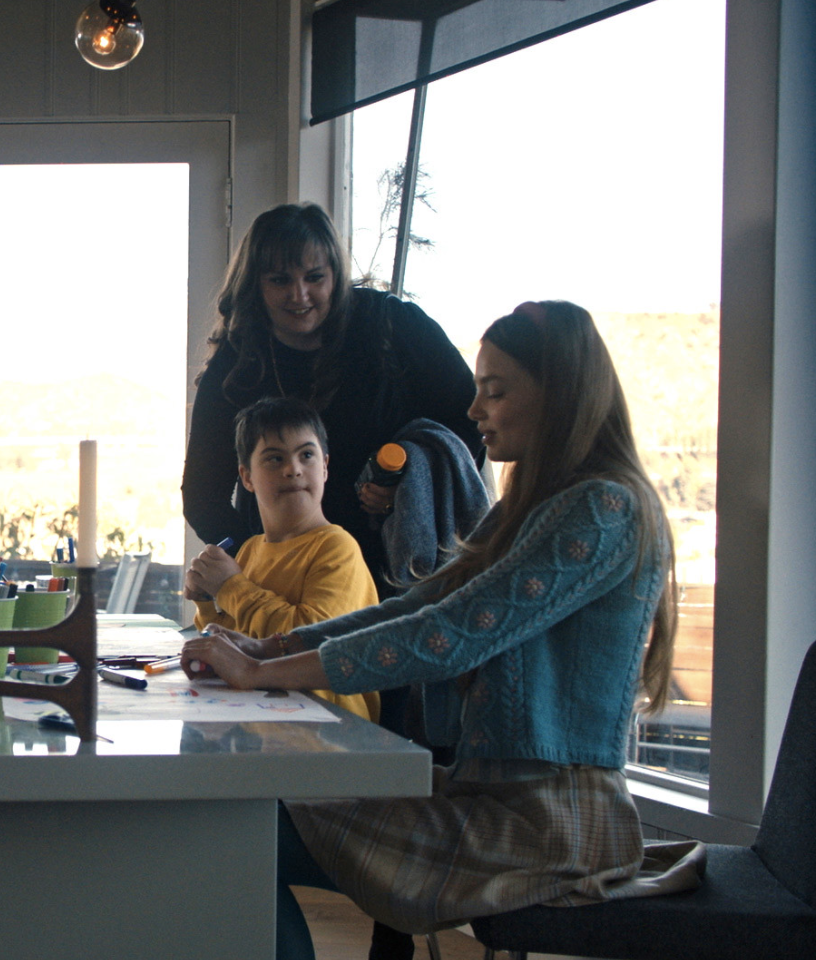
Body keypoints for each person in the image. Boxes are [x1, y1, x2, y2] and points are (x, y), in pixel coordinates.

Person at [181, 301, 701, 959]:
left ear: (560, 393)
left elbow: (448, 634)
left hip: (553, 830)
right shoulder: (530, 507)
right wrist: (272, 647)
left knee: (242, 829)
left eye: (495, 391)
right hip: (495, 802)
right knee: (245, 820)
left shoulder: (603, 508)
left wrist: (262, 670)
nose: (473, 409)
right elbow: (420, 605)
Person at [182, 202, 483, 600]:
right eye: (280, 280)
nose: (299, 295)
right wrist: (257, 561)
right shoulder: (237, 365)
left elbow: (474, 418)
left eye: (314, 277)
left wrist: (414, 484)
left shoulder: (393, 327)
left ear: (336, 275)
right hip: (293, 590)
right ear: (255, 285)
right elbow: (202, 495)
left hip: (404, 575)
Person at [186, 397, 379, 722]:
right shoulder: (250, 550)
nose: (293, 469)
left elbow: (306, 641)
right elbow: (235, 647)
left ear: (325, 466)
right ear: (247, 477)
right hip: (265, 721)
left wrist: (230, 587)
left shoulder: (336, 547)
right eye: (275, 459)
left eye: (307, 455)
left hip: (330, 730)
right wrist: (208, 600)